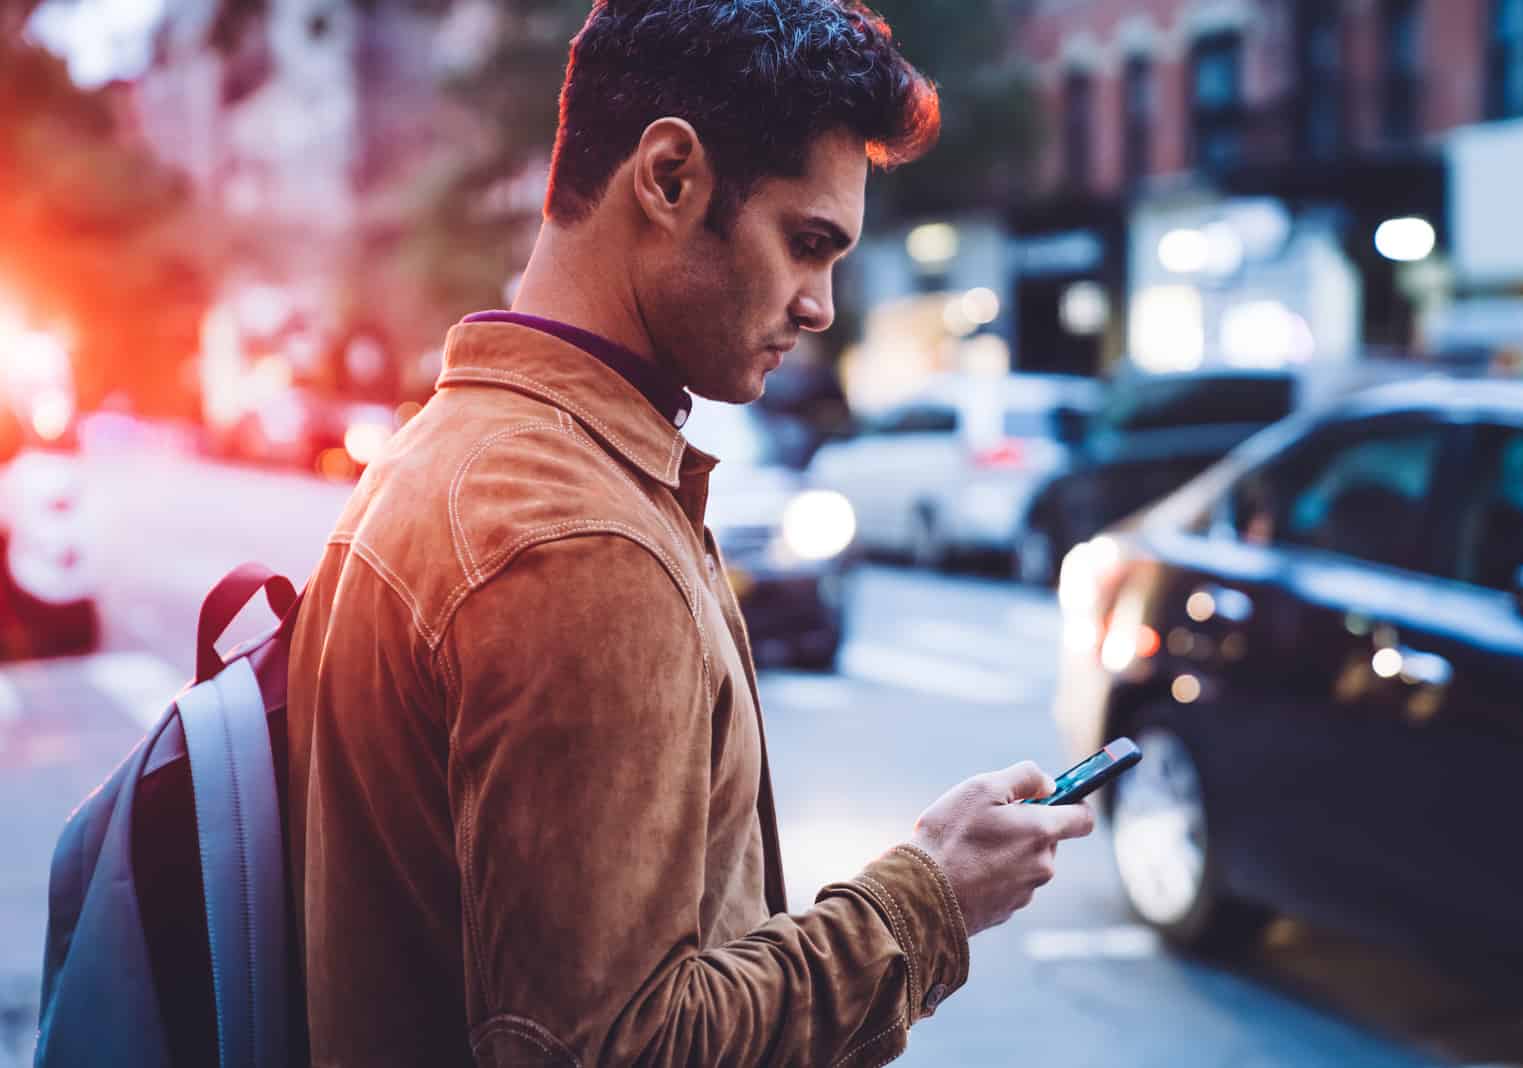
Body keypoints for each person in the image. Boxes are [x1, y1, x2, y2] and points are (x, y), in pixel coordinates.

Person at [285, 1, 1094, 1064]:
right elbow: (619, 1048)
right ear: (669, 178)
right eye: (806, 244)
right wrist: (927, 901)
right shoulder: (578, 538)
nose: (821, 308)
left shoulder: (449, 451)